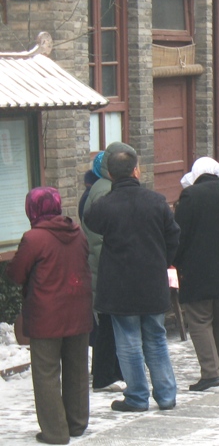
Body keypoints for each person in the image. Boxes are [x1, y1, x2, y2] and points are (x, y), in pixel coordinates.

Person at [85, 148, 180, 413]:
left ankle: (137, 396)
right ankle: (166, 394)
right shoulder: (157, 201)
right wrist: (161, 260)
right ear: (137, 170)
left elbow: (90, 221)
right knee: (156, 339)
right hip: (152, 282)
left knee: (128, 343)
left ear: (111, 175)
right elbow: (173, 236)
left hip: (119, 285)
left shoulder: (104, 205)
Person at [6, 187, 92, 445]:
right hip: (79, 310)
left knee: (46, 373)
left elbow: (16, 274)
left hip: (46, 315)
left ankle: (55, 432)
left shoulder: (33, 239)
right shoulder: (79, 234)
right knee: (77, 369)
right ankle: (77, 423)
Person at [173, 157, 219, 391]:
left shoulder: (190, 197)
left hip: (197, 269)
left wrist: (176, 260)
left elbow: (179, 234)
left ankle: (209, 372)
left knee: (199, 320)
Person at [82, 144, 134, 395]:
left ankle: (112, 371)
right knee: (108, 323)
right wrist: (118, 265)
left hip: (107, 268)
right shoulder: (105, 192)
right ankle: (105, 374)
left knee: (110, 322)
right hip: (106, 269)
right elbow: (99, 239)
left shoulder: (103, 188)